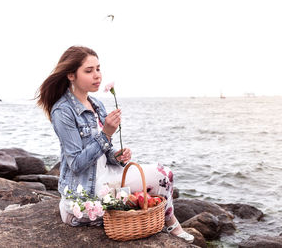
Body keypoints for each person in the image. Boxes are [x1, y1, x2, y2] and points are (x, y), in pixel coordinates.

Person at [36, 46, 193, 243]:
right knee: (136, 198)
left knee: (164, 174)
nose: (97, 75)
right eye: (89, 70)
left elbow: (105, 152)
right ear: (71, 75)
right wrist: (106, 134)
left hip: (109, 176)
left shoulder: (96, 105)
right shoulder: (63, 111)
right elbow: (76, 163)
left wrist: (117, 156)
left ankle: (169, 222)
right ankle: (165, 224)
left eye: (98, 69)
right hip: (88, 186)